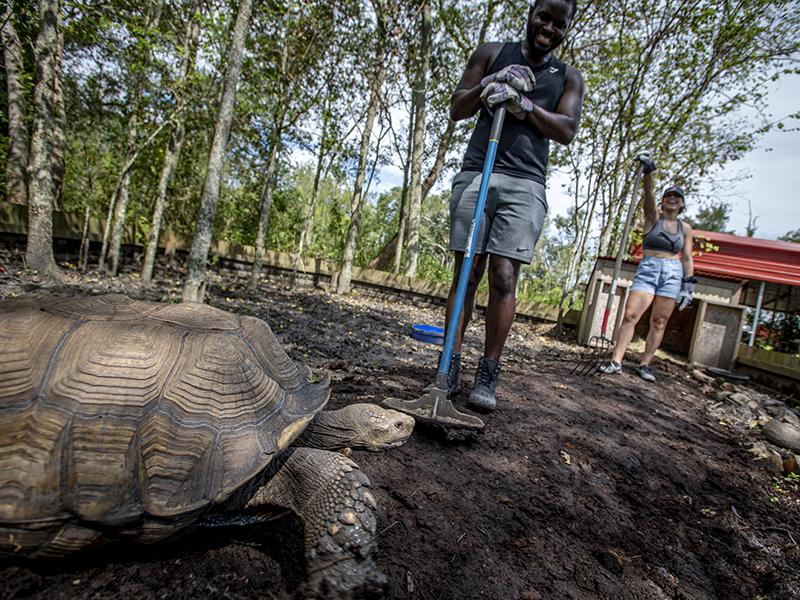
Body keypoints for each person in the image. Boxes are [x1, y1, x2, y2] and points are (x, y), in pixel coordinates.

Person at [443, 0, 584, 412]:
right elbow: (457, 108)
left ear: (566, 28)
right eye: (544, 17)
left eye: (560, 23)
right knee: (467, 270)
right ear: (531, 14)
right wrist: (491, 82)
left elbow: (567, 129)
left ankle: (488, 372)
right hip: (476, 174)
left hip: (525, 183)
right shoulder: (491, 52)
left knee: (504, 276)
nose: (549, 28)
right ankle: (448, 362)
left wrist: (526, 106)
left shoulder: (567, 76)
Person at [599, 155, 696, 382]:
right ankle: (616, 361)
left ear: (682, 204)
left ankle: (645, 365)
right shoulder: (653, 218)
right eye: (668, 196)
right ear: (663, 202)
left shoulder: (686, 228)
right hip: (649, 268)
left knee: (659, 321)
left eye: (677, 197)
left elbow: (688, 258)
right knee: (631, 314)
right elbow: (648, 197)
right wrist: (648, 173)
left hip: (673, 273)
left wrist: (688, 286)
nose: (672, 199)